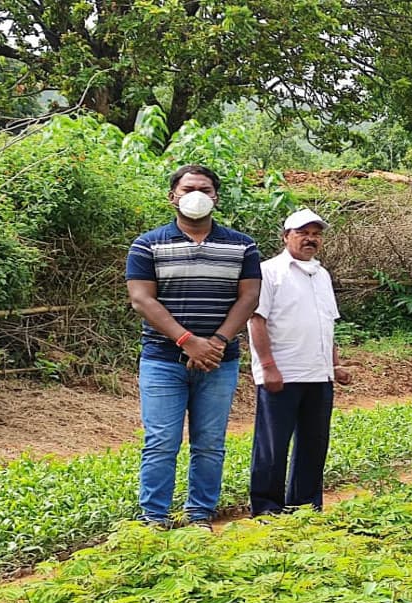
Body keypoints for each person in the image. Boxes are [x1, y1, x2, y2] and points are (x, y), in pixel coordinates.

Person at [125, 164, 262, 528]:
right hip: (162, 360)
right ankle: (154, 516)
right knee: (161, 442)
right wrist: (187, 341)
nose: (196, 195)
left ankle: (200, 514)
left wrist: (216, 342)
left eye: (205, 189)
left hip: (220, 361)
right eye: (188, 189)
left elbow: (249, 297)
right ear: (173, 196)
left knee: (210, 443)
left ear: (216, 197)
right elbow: (142, 300)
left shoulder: (242, 245)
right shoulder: (147, 244)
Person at [248, 208, 351, 515]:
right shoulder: (268, 272)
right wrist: (267, 366)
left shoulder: (322, 275)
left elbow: (326, 323)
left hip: (319, 375)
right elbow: (256, 320)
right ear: (286, 236)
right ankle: (266, 508)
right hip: (282, 373)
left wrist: (335, 365)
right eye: (302, 233)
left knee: (313, 444)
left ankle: (305, 507)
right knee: (272, 446)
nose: (310, 239)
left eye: (316, 234)